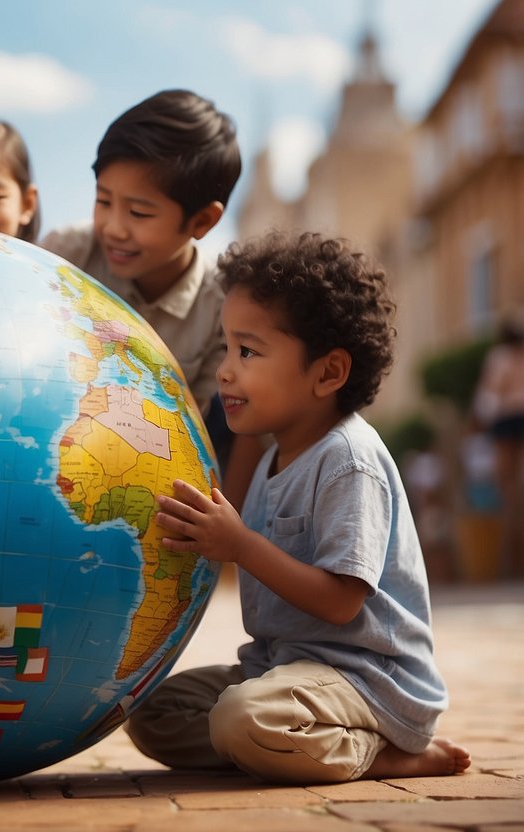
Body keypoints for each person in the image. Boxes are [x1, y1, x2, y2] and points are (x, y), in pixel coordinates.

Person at [125, 232, 471, 784]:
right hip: (286, 671)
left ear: (328, 373)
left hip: (366, 680)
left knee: (242, 718)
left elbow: (339, 603)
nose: (225, 370)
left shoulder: (347, 460)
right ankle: (278, 745)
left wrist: (240, 545)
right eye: (225, 348)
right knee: (148, 710)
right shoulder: (275, 455)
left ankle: (380, 754)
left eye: (248, 351)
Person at [40, 89, 263, 510]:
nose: (113, 227)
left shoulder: (223, 307)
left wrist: (228, 521)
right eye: (103, 201)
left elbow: (245, 427)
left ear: (202, 221)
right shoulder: (64, 256)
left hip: (148, 493)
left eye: (139, 213)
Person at [472, 308, 524, 576]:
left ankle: (511, 556)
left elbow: (488, 397)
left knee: (508, 488)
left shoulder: (499, 357)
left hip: (506, 420)